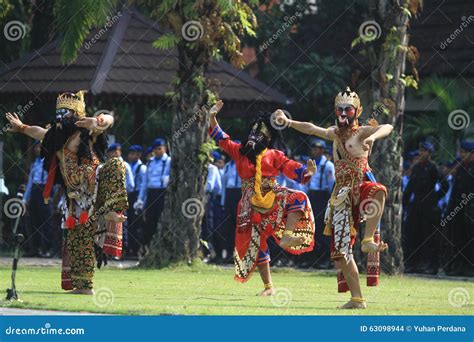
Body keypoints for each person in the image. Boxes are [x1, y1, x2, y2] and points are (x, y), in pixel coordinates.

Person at [275, 87, 392, 309]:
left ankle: (368, 240)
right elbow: (310, 128)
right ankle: (357, 299)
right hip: (340, 196)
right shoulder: (334, 134)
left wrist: (373, 136)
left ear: (357, 111)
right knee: (340, 253)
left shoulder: (362, 132)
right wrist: (288, 122)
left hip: (360, 187)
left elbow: (388, 126)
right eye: (339, 109)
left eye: (347, 109)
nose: (342, 113)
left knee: (379, 189)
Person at [5, 91, 128, 295]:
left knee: (117, 164)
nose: (63, 117)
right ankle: (84, 287)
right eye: (60, 113)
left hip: (97, 186)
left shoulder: (87, 131)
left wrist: (98, 120)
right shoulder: (54, 135)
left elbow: (109, 120)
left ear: (77, 113)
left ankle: (112, 210)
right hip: (76, 198)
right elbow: (36, 131)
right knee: (78, 241)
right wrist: (21, 128)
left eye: (68, 112)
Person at [209, 100, 316, 295]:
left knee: (299, 197)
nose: (253, 136)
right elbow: (221, 138)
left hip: (272, 196)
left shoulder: (274, 154)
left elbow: (290, 167)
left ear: (267, 139)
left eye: (259, 134)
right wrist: (212, 117)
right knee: (256, 243)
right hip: (249, 204)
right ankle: (268, 288)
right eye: (252, 132)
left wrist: (306, 172)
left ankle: (288, 236)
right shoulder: (239, 152)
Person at [402, 141, 445, 274]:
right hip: (416, 207)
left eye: (424, 151)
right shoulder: (417, 167)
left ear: (430, 154)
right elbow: (410, 188)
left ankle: (431, 266)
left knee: (429, 237)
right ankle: (414, 263)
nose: (421, 153)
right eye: (420, 151)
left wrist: (434, 198)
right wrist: (404, 203)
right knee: (414, 234)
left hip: (429, 208)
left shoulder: (433, 168)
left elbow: (445, 186)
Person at [299, 139, 335, 269]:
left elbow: (331, 184)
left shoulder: (328, 165)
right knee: (310, 227)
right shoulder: (310, 164)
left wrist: (331, 201)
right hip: (312, 196)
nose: (315, 150)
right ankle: (310, 258)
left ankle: (324, 259)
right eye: (313, 147)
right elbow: (306, 182)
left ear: (322, 150)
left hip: (323, 197)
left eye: (318, 148)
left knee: (322, 228)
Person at [135, 138, 171, 254]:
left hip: (162, 192)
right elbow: (145, 183)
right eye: (155, 149)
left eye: (159, 149)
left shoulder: (169, 161)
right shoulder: (150, 162)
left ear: (164, 148)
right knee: (149, 222)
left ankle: (162, 249)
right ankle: (150, 248)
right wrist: (140, 199)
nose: (157, 151)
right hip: (151, 193)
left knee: (162, 221)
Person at [445, 141, 474, 276]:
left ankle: (470, 267)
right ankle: (460, 267)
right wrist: (450, 210)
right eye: (461, 152)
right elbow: (455, 191)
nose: (461, 155)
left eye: (464, 152)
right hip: (459, 210)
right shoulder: (461, 169)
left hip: (471, 210)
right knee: (459, 238)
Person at [23, 140, 55, 257]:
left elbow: (54, 181)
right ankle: (34, 248)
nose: (38, 149)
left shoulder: (51, 162)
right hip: (35, 192)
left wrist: (53, 197)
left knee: (46, 222)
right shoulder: (34, 163)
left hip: (46, 191)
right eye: (36, 147)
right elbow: (30, 183)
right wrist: (25, 199)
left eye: (40, 147)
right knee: (34, 221)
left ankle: (47, 249)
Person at [106, 143, 134, 259]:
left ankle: (122, 252)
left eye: (117, 151)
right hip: (110, 199)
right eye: (113, 151)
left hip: (121, 198)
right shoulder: (107, 165)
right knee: (110, 224)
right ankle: (111, 251)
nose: (116, 153)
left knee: (122, 225)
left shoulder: (124, 165)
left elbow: (131, 184)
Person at [220, 147, 242, 263]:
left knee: (241, 227)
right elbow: (223, 185)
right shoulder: (228, 166)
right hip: (229, 195)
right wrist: (223, 202)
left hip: (240, 194)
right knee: (229, 227)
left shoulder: (244, 164)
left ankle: (241, 254)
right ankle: (229, 253)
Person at [126, 144, 147, 257]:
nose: (130, 156)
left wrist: (141, 201)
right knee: (129, 224)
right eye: (129, 153)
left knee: (137, 224)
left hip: (138, 196)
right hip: (129, 195)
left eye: (133, 153)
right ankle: (131, 249)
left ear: (139, 155)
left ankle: (138, 249)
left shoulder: (142, 168)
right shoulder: (129, 166)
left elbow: (144, 185)